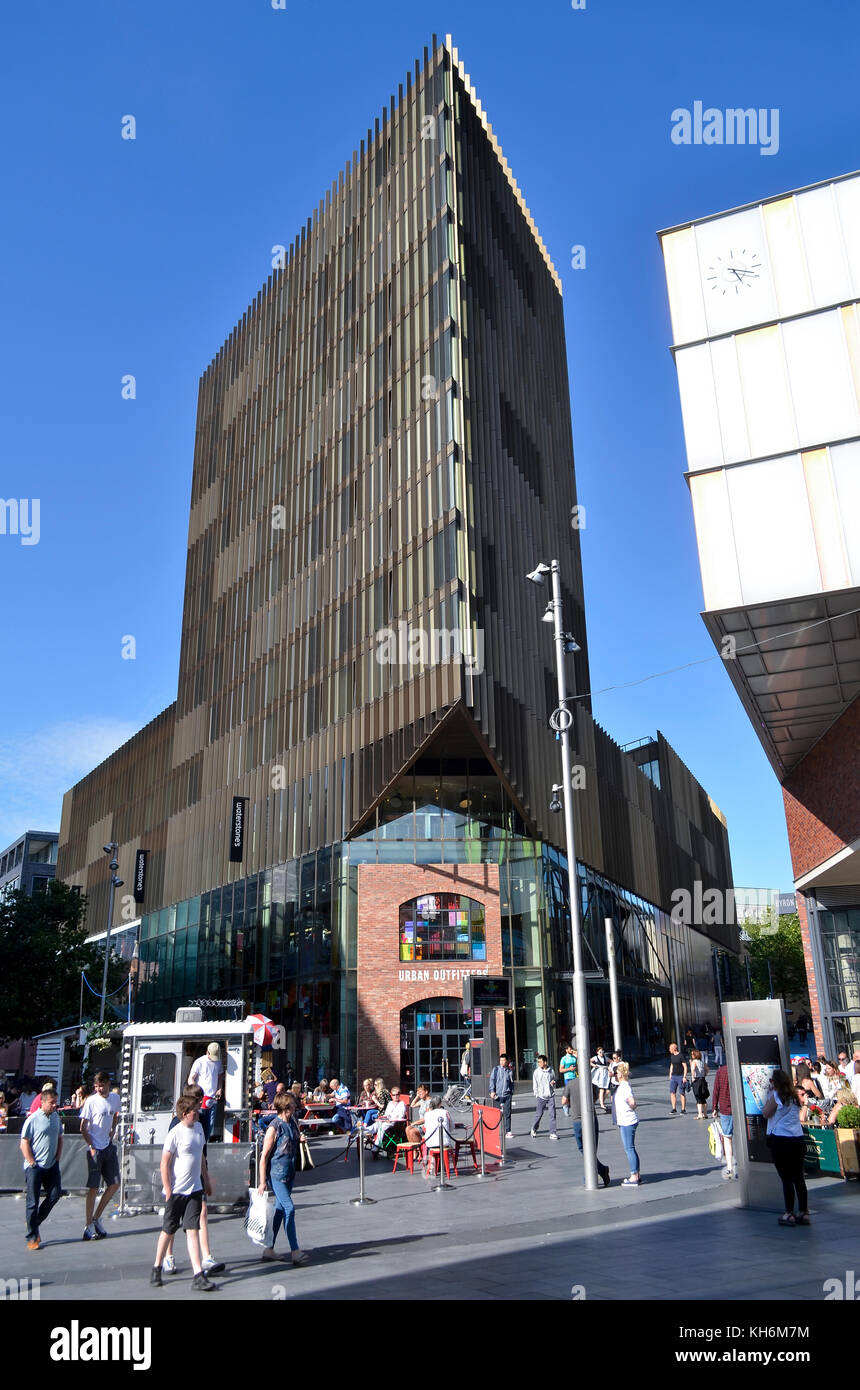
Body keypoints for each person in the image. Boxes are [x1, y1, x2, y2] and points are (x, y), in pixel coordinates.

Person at [150, 1097, 217, 1289]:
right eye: (194, 1110)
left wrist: (206, 1180)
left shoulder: (199, 1129)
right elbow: (164, 1163)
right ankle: (156, 1266)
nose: (198, 1113)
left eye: (198, 1109)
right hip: (177, 1190)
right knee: (169, 1229)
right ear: (184, 1114)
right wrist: (168, 1189)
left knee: (193, 1229)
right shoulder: (175, 1133)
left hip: (194, 1189)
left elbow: (202, 1157)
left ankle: (198, 1274)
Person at [162, 1084, 225, 1278]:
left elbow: (202, 1151)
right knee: (172, 1220)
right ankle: (168, 1255)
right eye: (197, 1103)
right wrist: (168, 1186)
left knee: (202, 1213)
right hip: (178, 1177)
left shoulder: (201, 1119)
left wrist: (206, 1178)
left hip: (197, 1172)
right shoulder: (176, 1124)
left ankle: (206, 1256)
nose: (200, 1106)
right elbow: (169, 1156)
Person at [257, 1093, 309, 1265]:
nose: (295, 1107)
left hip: (289, 1173)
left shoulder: (292, 1122)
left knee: (280, 1209)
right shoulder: (274, 1126)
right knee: (289, 1208)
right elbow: (264, 1156)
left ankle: (269, 1248)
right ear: (286, 1107)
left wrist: (300, 1139)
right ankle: (295, 1251)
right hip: (277, 1175)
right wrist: (262, 1181)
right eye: (293, 1105)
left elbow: (293, 1138)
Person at [762, 1070, 809, 1225]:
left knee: (786, 1178)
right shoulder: (795, 1097)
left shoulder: (776, 1097)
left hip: (781, 1140)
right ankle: (803, 1211)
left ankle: (789, 1213)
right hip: (798, 1138)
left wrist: (769, 1096)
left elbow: (766, 1113)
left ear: (775, 1082)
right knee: (799, 1178)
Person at [21, 1085, 64, 1250]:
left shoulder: (55, 1118)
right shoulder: (32, 1119)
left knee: (54, 1195)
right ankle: (32, 1237)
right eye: (52, 1102)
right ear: (43, 1102)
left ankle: (34, 1222)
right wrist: (31, 1162)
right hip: (35, 1166)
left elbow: (60, 1137)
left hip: (51, 1164)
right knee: (32, 1201)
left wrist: (58, 1157)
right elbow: (24, 1142)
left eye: (56, 1102)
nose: (55, 1105)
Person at [80, 1070, 121, 1239]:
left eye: (101, 1085)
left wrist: (112, 1132)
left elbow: (115, 1115)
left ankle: (96, 1218)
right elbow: (83, 1126)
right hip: (95, 1147)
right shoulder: (91, 1101)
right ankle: (88, 1224)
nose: (98, 1089)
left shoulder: (114, 1099)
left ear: (107, 1084)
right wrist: (91, 1144)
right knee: (94, 1187)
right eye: (96, 1086)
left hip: (108, 1146)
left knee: (114, 1183)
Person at [565, 1072, 610, 1187]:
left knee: (583, 1148)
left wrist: (573, 1102)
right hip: (591, 1119)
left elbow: (563, 1101)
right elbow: (595, 1098)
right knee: (591, 1149)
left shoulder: (570, 1084)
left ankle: (590, 1176)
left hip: (577, 1120)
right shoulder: (592, 1084)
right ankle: (601, 1170)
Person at [188, 1043, 223, 1140]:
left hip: (213, 1099)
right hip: (201, 1098)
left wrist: (220, 1088)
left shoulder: (218, 1062)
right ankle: (199, 1143)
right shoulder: (199, 1062)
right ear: (207, 1052)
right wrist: (196, 1091)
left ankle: (204, 1144)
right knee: (199, 1123)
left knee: (210, 1125)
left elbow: (220, 1077)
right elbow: (191, 1079)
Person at [613, 1062, 640, 1185]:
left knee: (629, 1148)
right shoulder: (623, 1086)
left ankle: (634, 1176)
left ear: (620, 1074)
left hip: (627, 1121)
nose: (615, 1075)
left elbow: (632, 1101)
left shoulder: (624, 1087)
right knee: (631, 1148)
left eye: (616, 1073)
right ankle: (636, 1174)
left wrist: (632, 1106)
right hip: (626, 1120)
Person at [710, 1062, 735, 1179]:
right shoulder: (738, 1069)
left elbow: (716, 1090)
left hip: (725, 1108)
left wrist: (714, 1107)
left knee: (727, 1137)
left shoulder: (721, 1071)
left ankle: (730, 1166)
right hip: (739, 1107)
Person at [367, 1087, 407, 1155]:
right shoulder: (390, 1103)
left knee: (382, 1127)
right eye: (394, 1095)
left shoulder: (402, 1104)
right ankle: (363, 1132)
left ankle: (376, 1146)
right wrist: (384, 1118)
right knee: (376, 1124)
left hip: (395, 1123)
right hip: (387, 1121)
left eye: (397, 1094)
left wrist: (390, 1119)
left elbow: (401, 1116)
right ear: (391, 1095)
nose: (396, 1096)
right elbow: (386, 1114)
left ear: (399, 1095)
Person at [530, 1055, 558, 1140]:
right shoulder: (536, 1072)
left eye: (540, 1062)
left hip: (550, 1096)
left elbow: (554, 1079)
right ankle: (534, 1128)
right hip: (541, 1096)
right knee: (539, 1114)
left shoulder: (551, 1070)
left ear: (545, 1062)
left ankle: (553, 1132)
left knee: (552, 1114)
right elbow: (535, 1084)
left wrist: (553, 1082)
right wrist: (536, 1094)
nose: (539, 1063)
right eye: (538, 1062)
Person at [487, 1054, 515, 1138]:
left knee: (508, 1114)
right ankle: (494, 1131)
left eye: (503, 1060)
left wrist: (511, 1092)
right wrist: (492, 1091)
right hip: (497, 1095)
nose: (502, 1062)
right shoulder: (496, 1070)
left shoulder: (510, 1071)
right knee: (495, 1114)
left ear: (507, 1061)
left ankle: (508, 1131)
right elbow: (492, 1081)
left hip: (507, 1095)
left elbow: (511, 1082)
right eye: (501, 1060)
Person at [668, 1043, 688, 1115]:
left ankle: (683, 1109)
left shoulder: (681, 1056)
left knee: (682, 1093)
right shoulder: (672, 1056)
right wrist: (670, 1073)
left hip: (680, 1076)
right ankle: (674, 1108)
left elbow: (685, 1066)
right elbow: (672, 1064)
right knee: (672, 1092)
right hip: (674, 1076)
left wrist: (684, 1077)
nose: (669, 1050)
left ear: (674, 1049)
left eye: (670, 1048)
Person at [689, 1049, 709, 1119]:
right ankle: (705, 1114)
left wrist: (693, 1077)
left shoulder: (694, 1062)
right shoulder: (701, 1062)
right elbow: (707, 1069)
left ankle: (700, 1114)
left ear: (695, 1055)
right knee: (703, 1097)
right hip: (702, 1079)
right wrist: (704, 1075)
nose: (691, 1055)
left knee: (698, 1097)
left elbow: (693, 1069)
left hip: (697, 1080)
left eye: (692, 1054)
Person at [590, 1047, 611, 1113]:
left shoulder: (605, 1057)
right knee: (601, 1089)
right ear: (597, 1052)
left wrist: (609, 1068)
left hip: (605, 1074)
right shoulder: (596, 1057)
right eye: (600, 1052)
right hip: (598, 1074)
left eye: (602, 1051)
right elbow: (589, 1061)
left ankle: (601, 1102)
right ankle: (602, 1104)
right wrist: (593, 1065)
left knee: (607, 1090)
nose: (601, 1053)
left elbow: (611, 1061)